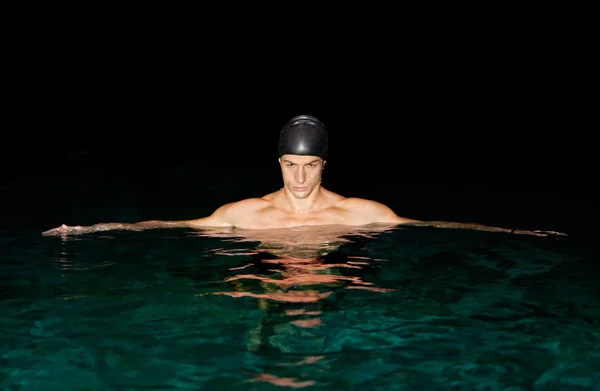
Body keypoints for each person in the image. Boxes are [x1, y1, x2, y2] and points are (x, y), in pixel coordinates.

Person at [42, 114, 565, 238]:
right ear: (278, 164)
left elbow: (431, 225)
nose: (298, 177)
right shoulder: (247, 213)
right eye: (290, 165)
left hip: (334, 281)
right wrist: (92, 231)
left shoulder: (360, 212)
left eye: (309, 166)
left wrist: (516, 234)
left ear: (323, 165)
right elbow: (168, 225)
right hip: (267, 277)